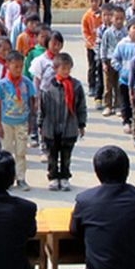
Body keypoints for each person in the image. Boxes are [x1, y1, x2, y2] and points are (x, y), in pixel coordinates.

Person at [39, 53, 87, 191]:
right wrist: (40, 124)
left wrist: (81, 124)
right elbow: (41, 107)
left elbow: (81, 107)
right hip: (51, 126)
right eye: (63, 68)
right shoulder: (47, 86)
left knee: (66, 155)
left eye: (68, 68)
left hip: (69, 126)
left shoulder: (76, 86)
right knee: (52, 155)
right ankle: (53, 177)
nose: (66, 71)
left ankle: (65, 177)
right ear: (55, 69)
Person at [0, 51, 36, 191]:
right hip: (6, 122)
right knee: (6, 152)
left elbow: (31, 102)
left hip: (22, 122)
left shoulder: (27, 83)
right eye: (15, 66)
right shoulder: (1, 84)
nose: (18, 70)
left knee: (21, 152)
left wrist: (31, 122)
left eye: (21, 66)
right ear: (7, 65)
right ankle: (6, 179)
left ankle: (21, 178)